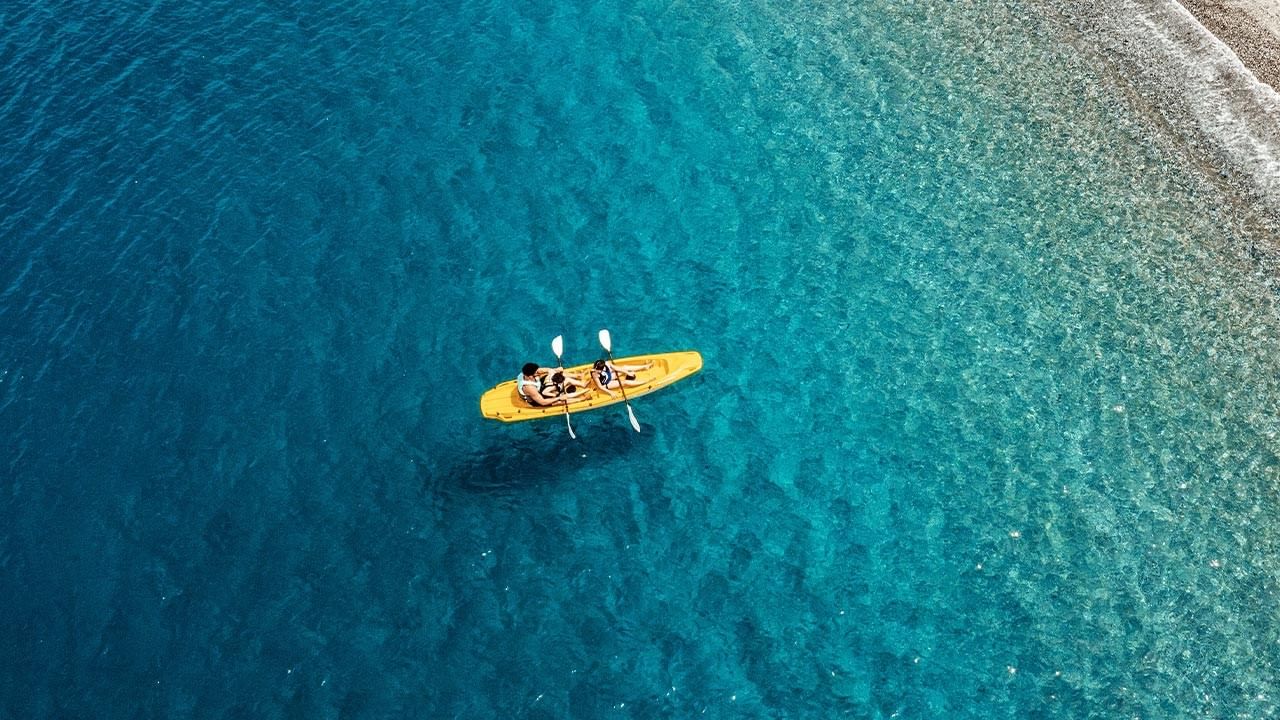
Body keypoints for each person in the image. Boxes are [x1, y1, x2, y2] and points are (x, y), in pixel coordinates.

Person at [517, 362, 590, 407]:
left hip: (540, 386)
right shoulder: (529, 388)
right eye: (536, 373)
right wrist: (558, 398)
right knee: (558, 401)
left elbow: (544, 370)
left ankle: (578, 376)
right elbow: (542, 402)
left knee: (557, 375)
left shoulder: (527, 372)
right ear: (530, 376)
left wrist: (556, 370)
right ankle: (581, 399)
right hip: (537, 398)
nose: (538, 372)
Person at [589, 358, 653, 398]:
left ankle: (645, 367)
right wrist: (610, 392)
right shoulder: (595, 374)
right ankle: (646, 382)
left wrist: (628, 373)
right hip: (606, 383)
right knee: (624, 382)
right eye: (596, 369)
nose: (598, 370)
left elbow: (617, 368)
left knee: (625, 367)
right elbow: (600, 386)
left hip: (610, 376)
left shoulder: (607, 363)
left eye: (599, 369)